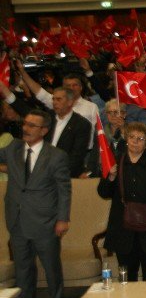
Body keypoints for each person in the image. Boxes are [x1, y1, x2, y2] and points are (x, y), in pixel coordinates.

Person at [0, 109, 71, 298]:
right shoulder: (13, 148)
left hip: (45, 223)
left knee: (51, 269)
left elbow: (64, 190)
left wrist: (63, 219)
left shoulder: (56, 156)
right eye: (25, 124)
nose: (26, 128)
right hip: (17, 220)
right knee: (22, 271)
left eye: (32, 125)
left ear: (44, 130)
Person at [97, 123, 146, 281]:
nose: (135, 141)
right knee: (126, 278)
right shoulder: (116, 162)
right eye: (132, 137)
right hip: (123, 229)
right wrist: (110, 177)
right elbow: (103, 192)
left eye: (140, 138)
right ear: (126, 139)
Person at [1, 83, 92, 178]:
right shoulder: (48, 117)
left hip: (64, 175)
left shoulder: (82, 124)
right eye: (53, 99)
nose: (54, 102)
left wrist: (54, 173)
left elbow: (76, 157)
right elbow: (25, 110)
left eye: (59, 99)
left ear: (70, 102)